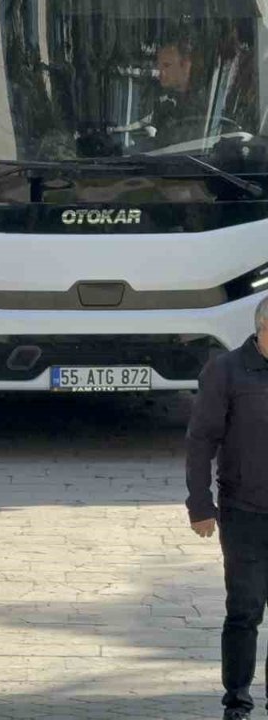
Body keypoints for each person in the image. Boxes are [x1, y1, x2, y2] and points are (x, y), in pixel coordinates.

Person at [186, 296, 268, 720]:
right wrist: (200, 504)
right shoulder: (226, 371)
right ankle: (237, 700)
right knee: (244, 610)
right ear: (263, 329)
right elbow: (201, 440)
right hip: (244, 513)